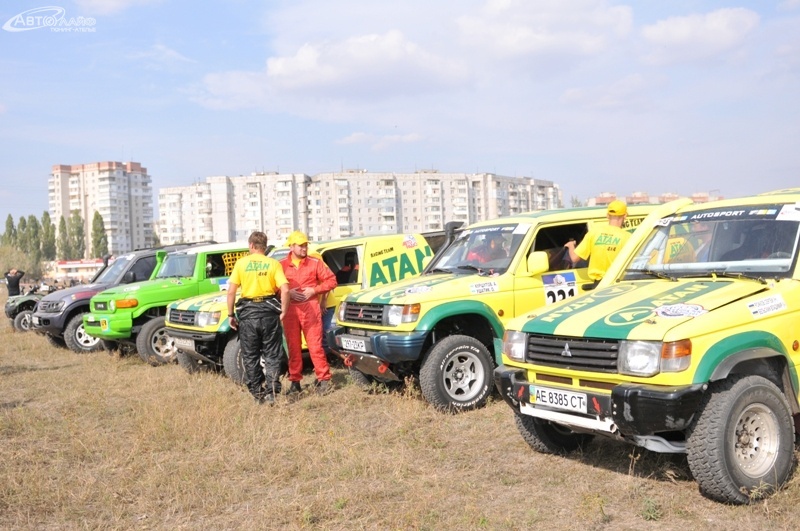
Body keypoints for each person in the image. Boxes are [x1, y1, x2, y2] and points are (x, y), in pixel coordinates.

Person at [227, 231, 290, 405]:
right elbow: (285, 289)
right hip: (270, 314)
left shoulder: (241, 264)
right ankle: (272, 393)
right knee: (272, 354)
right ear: (264, 246)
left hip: (248, 316)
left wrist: (230, 315)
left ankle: (257, 394)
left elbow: (231, 292)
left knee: (250, 356)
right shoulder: (273, 264)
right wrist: (284, 311)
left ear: (251, 245)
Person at [280, 230, 338, 395]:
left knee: (315, 346)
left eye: (305, 245)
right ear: (291, 247)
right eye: (301, 245)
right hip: (290, 310)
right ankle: (295, 382)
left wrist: (314, 290)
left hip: (310, 308)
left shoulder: (315, 262)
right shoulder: (281, 265)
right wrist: (287, 293)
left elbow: (332, 280)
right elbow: (274, 287)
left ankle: (324, 379)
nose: (304, 248)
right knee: (293, 347)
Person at [565, 200, 630, 281]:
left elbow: (574, 258)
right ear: (625, 216)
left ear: (607, 216)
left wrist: (571, 245)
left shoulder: (594, 233)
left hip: (598, 284)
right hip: (618, 282)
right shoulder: (628, 237)